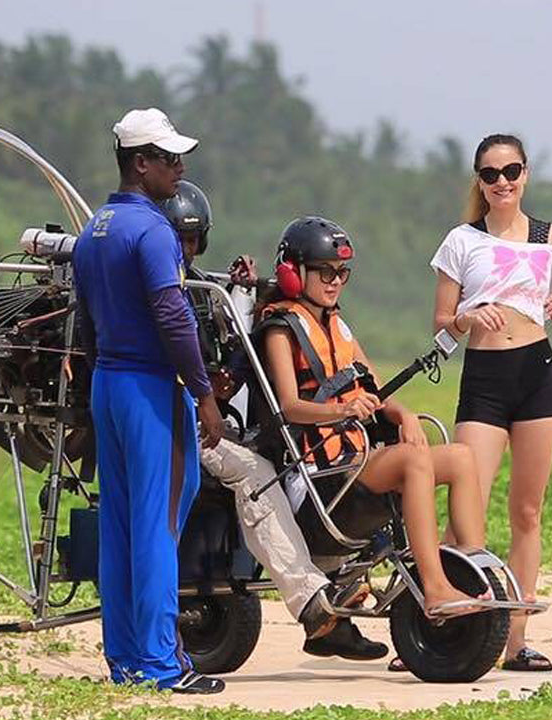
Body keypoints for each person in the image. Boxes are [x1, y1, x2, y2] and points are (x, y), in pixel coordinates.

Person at [160, 181, 388, 661]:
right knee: (258, 475)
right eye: (175, 239)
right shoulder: (157, 294)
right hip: (170, 422)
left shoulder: (203, 294)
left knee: (302, 465)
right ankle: (312, 604)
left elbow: (232, 370)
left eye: (191, 241)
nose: (182, 250)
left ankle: (340, 598)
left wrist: (242, 298)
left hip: (214, 422)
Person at [260, 216, 493, 622]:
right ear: (293, 273)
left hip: (352, 466)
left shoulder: (337, 325)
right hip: (318, 478)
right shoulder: (280, 329)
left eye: (342, 273)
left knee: (460, 457)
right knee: (413, 460)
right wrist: (341, 410)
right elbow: (288, 407)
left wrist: (402, 414)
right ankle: (434, 587)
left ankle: (472, 570)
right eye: (325, 272)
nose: (335, 282)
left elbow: (375, 390)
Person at [71, 108, 225, 694]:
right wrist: (204, 393)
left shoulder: (96, 228)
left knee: (121, 526)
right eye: (169, 158)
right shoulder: (155, 231)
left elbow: (86, 322)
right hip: (151, 389)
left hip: (109, 387)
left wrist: (101, 375)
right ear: (141, 163)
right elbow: (172, 315)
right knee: (158, 525)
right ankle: (162, 666)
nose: (179, 168)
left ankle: (127, 660)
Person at [429, 134, 552, 672]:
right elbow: (442, 325)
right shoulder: (461, 241)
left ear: (526, 173)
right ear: (479, 180)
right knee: (467, 508)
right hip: (486, 379)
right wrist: (468, 318)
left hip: (538, 376)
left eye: (511, 171)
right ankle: (442, 624)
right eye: (490, 174)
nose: (502, 182)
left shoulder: (549, 237)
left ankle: (516, 640)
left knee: (528, 512)